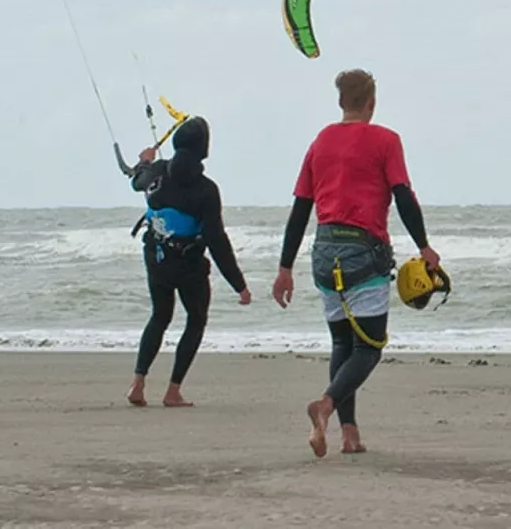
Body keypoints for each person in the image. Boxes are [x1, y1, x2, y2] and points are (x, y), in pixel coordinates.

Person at [273, 69, 441, 458]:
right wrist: (425, 246)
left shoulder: (320, 142)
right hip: (364, 254)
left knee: (341, 342)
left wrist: (285, 268)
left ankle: (349, 435)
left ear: (339, 102)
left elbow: (300, 209)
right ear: (372, 102)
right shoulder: (386, 140)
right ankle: (327, 405)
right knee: (369, 347)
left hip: (324, 251)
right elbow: (402, 196)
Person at [125, 116, 251, 409]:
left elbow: (135, 181)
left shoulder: (156, 172)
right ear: (204, 150)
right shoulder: (206, 190)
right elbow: (216, 240)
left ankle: (138, 382)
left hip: (156, 258)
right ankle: (172, 391)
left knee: (160, 316)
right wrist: (239, 286)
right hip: (189, 265)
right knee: (195, 320)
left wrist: (144, 161)